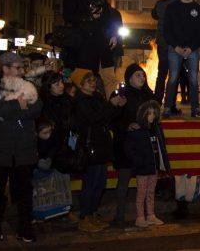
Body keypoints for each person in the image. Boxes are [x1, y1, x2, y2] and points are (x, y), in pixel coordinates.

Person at [0, 53, 43, 244]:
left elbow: (36, 107)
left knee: (23, 192)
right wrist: (16, 105)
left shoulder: (28, 86)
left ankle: (25, 228)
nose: (22, 71)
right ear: (6, 68)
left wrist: (10, 109)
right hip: (0, 148)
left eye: (22, 68)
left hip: (23, 148)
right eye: (18, 67)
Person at [70, 68, 125, 233]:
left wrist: (117, 106)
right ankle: (85, 217)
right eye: (88, 81)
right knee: (90, 183)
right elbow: (95, 119)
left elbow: (107, 117)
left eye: (93, 80)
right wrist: (111, 105)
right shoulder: (80, 101)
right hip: (89, 147)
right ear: (80, 85)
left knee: (100, 183)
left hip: (101, 145)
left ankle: (93, 214)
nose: (92, 83)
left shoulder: (96, 97)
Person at [62, 0, 121, 98]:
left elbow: (108, 17)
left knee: (110, 79)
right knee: (85, 80)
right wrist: (89, 16)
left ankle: (111, 107)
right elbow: (68, 16)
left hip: (102, 45)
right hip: (83, 46)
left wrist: (113, 34)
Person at [111, 63, 155, 227]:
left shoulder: (147, 95)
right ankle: (119, 215)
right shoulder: (122, 95)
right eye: (138, 75)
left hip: (144, 145)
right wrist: (126, 125)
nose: (142, 78)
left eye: (143, 75)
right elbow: (112, 119)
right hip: (126, 145)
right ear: (129, 78)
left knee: (146, 183)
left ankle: (146, 215)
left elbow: (155, 117)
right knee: (124, 181)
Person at [163, 0, 200, 118]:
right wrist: (175, 47)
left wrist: (192, 48)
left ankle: (195, 109)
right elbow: (167, 30)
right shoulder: (171, 7)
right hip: (174, 49)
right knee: (173, 77)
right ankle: (168, 108)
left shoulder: (198, 9)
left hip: (192, 50)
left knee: (193, 79)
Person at [125, 100, 167, 228]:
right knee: (141, 192)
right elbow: (129, 149)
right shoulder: (136, 130)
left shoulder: (156, 129)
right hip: (142, 167)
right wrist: (137, 161)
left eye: (154, 113)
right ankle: (140, 217)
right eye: (149, 113)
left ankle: (150, 215)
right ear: (143, 114)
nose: (152, 116)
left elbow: (161, 147)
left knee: (151, 192)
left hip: (153, 166)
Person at [152, 0, 182, 104]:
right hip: (176, 45)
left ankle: (157, 101)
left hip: (163, 42)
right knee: (174, 75)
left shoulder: (160, 3)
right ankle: (171, 104)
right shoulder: (182, 4)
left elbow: (154, 15)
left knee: (162, 73)